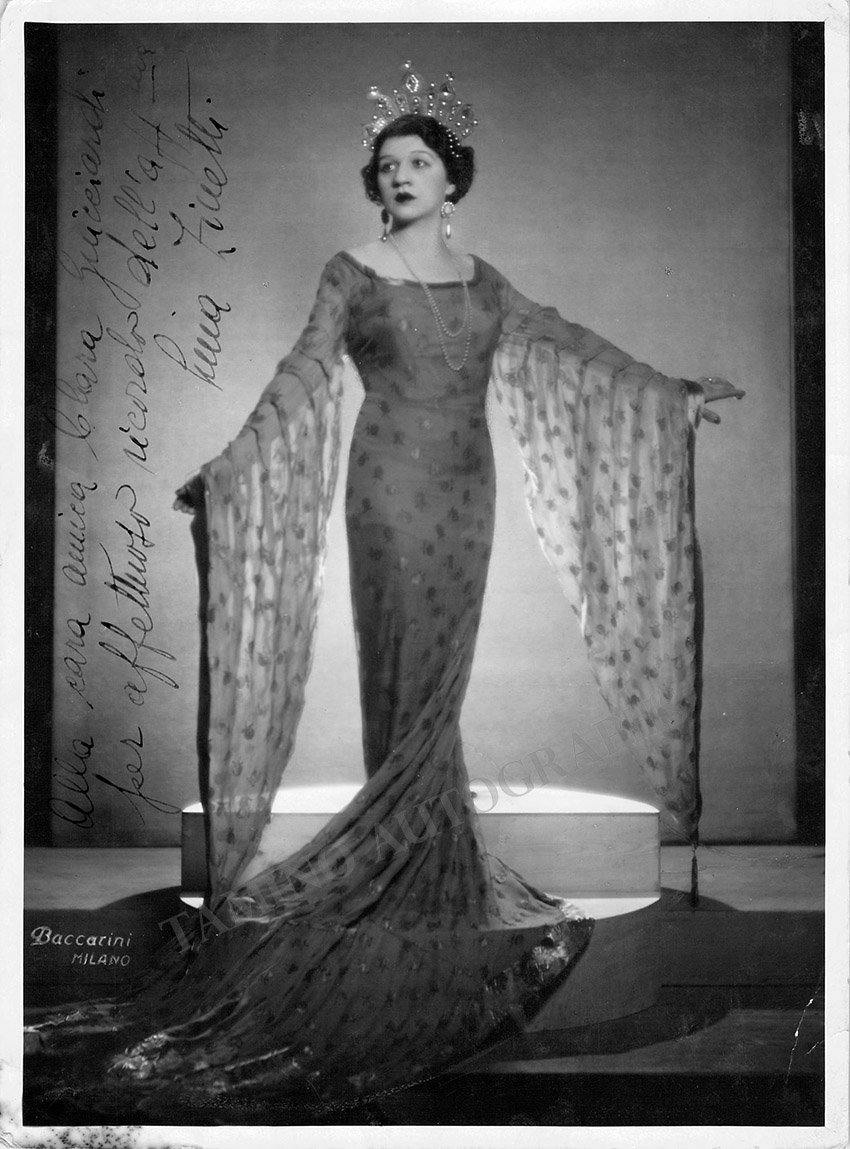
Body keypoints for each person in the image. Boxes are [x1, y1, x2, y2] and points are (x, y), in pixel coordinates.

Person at [25, 63, 743, 1122]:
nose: (401, 175)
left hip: (467, 491)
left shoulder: (486, 280)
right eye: (388, 164)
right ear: (377, 184)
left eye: (419, 162)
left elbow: (566, 344)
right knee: (401, 680)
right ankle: (405, 869)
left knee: (443, 685)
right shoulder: (351, 272)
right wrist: (230, 469)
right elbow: (299, 376)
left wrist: (668, 394)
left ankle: (426, 862)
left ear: (453, 181)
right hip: (388, 493)